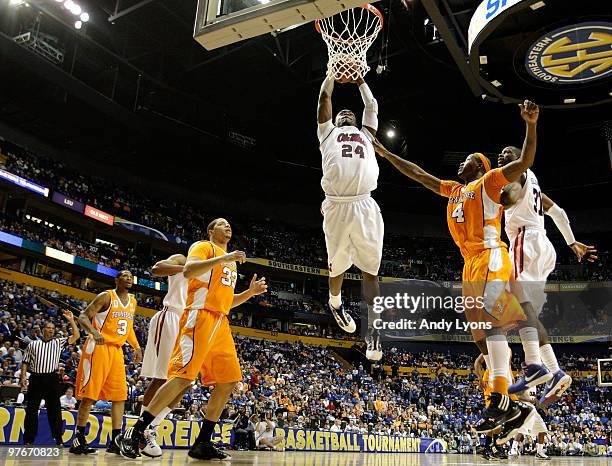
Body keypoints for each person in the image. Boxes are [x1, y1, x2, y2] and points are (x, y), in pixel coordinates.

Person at [372, 100, 540, 433]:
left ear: (479, 165)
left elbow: (525, 161)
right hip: (469, 266)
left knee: (492, 326)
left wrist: (531, 125)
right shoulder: (454, 190)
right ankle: (512, 407)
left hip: (491, 255)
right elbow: (419, 175)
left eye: (466, 160)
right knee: (479, 338)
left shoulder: (490, 182)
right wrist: (386, 154)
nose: (459, 164)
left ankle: (500, 399)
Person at [117, 218, 268, 460]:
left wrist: (250, 293)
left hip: (221, 321)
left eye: (230, 224)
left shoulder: (230, 263)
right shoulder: (203, 247)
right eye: (221, 224)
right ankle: (135, 433)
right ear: (211, 231)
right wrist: (224, 258)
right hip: (199, 316)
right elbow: (188, 270)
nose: (228, 226)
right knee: (183, 377)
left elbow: (227, 301)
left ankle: (202, 442)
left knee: (228, 381)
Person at [497, 146, 597, 403]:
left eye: (507, 152)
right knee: (527, 314)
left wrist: (493, 195)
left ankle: (533, 366)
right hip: (544, 248)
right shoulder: (535, 187)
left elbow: (507, 198)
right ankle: (554, 371)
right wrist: (572, 241)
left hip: (524, 242)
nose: (501, 155)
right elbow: (559, 213)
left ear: (519, 157)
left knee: (519, 307)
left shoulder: (516, 175)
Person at [317, 74, 384, 361]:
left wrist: (359, 81)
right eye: (342, 113)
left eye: (350, 113)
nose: (345, 113)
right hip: (336, 204)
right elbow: (324, 98)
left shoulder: (368, 134)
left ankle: (375, 332)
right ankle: (335, 302)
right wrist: (332, 74)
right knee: (337, 265)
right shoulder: (326, 132)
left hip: (364, 204)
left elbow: (371, 104)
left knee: (371, 271)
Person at [70, 270, 142, 455]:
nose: (128, 279)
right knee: (90, 396)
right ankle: (78, 438)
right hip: (98, 347)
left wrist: (136, 347)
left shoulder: (133, 301)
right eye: (124, 276)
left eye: (130, 277)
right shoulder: (106, 296)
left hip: (116, 351)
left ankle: (115, 441)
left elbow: (129, 327)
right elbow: (84, 316)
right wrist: (94, 333)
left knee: (120, 397)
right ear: (117, 280)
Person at [139, 253, 187, 457]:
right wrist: (186, 269)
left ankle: (152, 427)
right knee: (161, 378)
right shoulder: (183, 260)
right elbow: (157, 268)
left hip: (188, 325)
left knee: (185, 381)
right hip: (171, 318)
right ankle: (139, 432)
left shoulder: (209, 271)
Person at [21, 311, 80, 446]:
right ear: (43, 330)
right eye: (49, 328)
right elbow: (25, 362)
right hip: (36, 378)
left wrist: (71, 320)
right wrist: (23, 377)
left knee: (55, 410)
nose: (51, 330)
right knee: (31, 409)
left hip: (51, 378)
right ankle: (28, 439)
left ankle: (58, 438)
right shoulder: (33, 344)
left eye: (53, 328)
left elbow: (76, 335)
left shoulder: (58, 342)